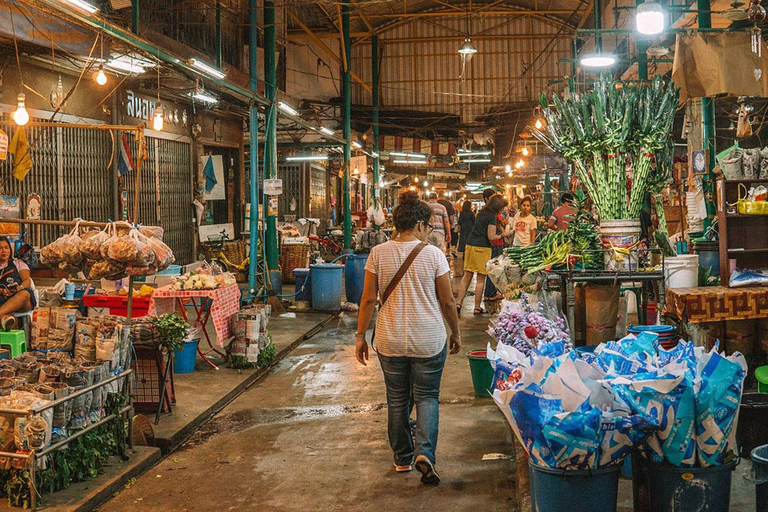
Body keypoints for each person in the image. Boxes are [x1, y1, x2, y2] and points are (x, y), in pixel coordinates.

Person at [356, 190, 461, 486]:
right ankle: (424, 454)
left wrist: (360, 336)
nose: (428, 231)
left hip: (390, 339)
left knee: (397, 398)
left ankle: (402, 458)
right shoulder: (434, 255)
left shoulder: (378, 253)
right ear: (418, 224)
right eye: (427, 226)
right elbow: (448, 302)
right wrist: (455, 332)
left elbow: (367, 300)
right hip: (428, 339)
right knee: (427, 397)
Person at [456, 194, 508, 315]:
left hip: (470, 245)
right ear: (498, 206)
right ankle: (477, 307)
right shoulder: (491, 217)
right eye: (501, 207)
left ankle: (458, 303)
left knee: (467, 276)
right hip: (482, 247)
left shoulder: (481, 213)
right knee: (480, 279)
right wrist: (504, 234)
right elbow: (491, 236)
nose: (502, 210)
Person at [0, 237, 36, 331]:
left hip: (20, 300)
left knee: (24, 294)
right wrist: (2, 291)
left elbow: (27, 281)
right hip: (2, 299)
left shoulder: (18, 263)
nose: (3, 251)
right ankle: (3, 318)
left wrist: (20, 287)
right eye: (0, 248)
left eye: (6, 247)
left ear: (10, 249)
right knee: (7, 316)